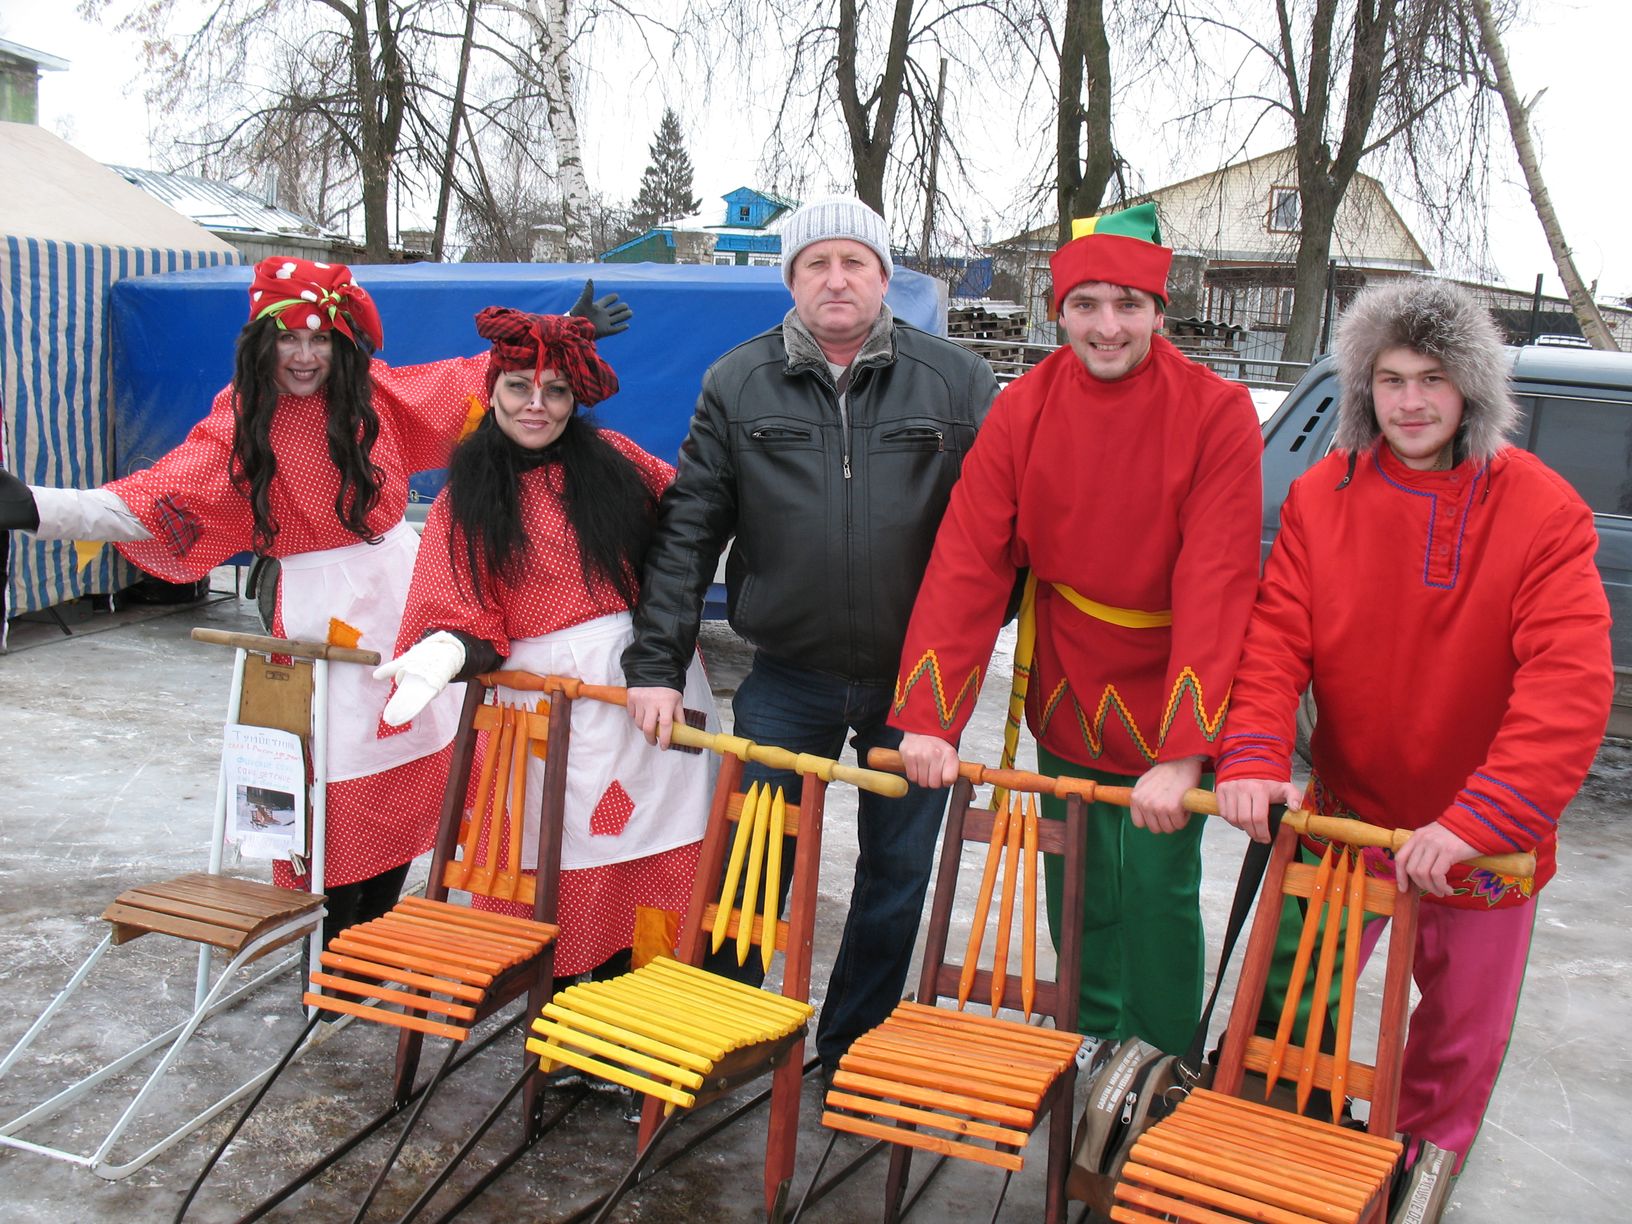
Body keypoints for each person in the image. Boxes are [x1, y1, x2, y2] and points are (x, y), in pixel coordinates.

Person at [0, 258, 627, 945]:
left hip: (404, 597)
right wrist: (40, 507)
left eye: (320, 337)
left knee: (415, 764)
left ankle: (375, 933)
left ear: (341, 341)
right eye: (289, 337)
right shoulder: (239, 424)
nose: (305, 355)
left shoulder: (376, 394)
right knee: (327, 784)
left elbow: (485, 381)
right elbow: (150, 499)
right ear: (261, 341)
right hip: (312, 619)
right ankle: (332, 940)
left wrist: (564, 336)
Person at [1214, 277, 1612, 1170]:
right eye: (1390, 379)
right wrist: (1253, 754)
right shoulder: (1325, 495)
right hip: (1351, 815)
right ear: (1365, 389)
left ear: (1469, 386)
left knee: (1455, 1043)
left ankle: (1413, 1180)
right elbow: (1277, 640)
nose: (1412, 401)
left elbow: (1568, 685)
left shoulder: (1543, 511)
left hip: (1480, 840)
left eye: (1433, 378)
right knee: (1287, 1008)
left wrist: (1481, 819)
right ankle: (1263, 1163)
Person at [620, 195, 999, 1078]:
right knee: (751, 859)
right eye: (816, 263)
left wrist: (955, 671)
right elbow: (689, 531)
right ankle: (721, 1022)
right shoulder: (739, 382)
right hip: (787, 676)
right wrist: (657, 665)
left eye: (854, 262)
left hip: (918, 689)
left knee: (896, 873)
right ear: (790, 278)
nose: (836, 278)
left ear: (883, 274)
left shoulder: (954, 382)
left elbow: (998, 539)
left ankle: (853, 1045)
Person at [890, 203, 1263, 1059]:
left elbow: (1217, 581)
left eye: (1128, 304)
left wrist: (1185, 748)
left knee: (1158, 890)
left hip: (1173, 682)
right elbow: (970, 558)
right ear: (1057, 311)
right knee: (1077, 881)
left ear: (1160, 313)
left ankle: (1160, 1060)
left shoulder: (1216, 411)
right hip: (1069, 675)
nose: (1106, 326)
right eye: (1086, 303)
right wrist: (930, 717)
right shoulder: (1024, 411)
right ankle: (1092, 1032)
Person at [375, 305, 716, 985]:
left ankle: (632, 1012)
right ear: (492, 390)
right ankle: (552, 1009)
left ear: (575, 397)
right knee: (547, 859)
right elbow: (460, 607)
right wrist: (446, 652)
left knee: (654, 854)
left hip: (642, 692)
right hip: (536, 717)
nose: (537, 406)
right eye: (519, 389)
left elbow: (694, 518)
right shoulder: (462, 498)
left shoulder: (617, 461)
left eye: (555, 391)